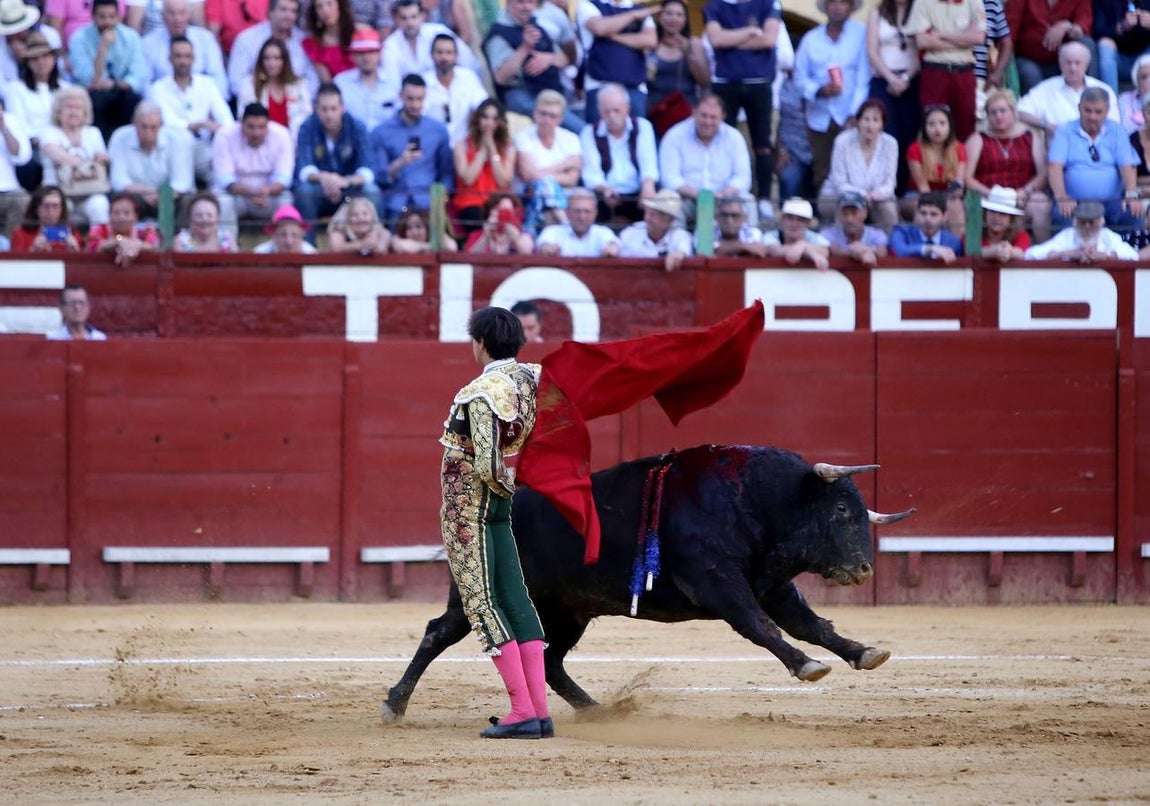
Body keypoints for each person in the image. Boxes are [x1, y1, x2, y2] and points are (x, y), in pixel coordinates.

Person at [438, 305, 552, 740]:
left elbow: (486, 462)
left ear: (481, 342)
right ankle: (538, 711)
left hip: (471, 508)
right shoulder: (529, 379)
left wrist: (500, 485)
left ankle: (522, 710)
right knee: (516, 597)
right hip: (499, 510)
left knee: (483, 602)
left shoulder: (483, 389)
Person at [704, 0, 781, 211]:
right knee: (719, 139)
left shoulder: (769, 3)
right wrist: (750, 31)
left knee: (763, 144)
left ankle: (764, 200)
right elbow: (715, 40)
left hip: (759, 82)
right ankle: (721, 194)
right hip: (725, 82)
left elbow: (768, 39)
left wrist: (730, 40)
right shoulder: (715, 6)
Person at [794, 0, 870, 195]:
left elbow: (863, 78)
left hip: (850, 115)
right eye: (832, 2)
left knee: (855, 171)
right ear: (826, 7)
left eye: (843, 2)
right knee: (822, 171)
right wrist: (820, 90)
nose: (837, 7)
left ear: (851, 7)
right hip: (820, 116)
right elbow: (799, 78)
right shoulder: (811, 39)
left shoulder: (861, 34)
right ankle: (827, 218)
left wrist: (855, 115)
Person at [964, 88, 1052, 244]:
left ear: (1013, 112)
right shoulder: (978, 139)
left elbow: (1043, 173)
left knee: (1041, 204)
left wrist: (1024, 192)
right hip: (987, 197)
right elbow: (967, 177)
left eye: (1003, 111)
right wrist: (991, 194)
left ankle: (1041, 254)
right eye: (993, 112)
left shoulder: (1030, 136)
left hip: (1021, 196)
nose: (998, 116)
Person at [1048, 86, 1142, 229]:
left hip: (1112, 201)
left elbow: (1127, 165)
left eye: (1098, 112)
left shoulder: (1117, 130)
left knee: (1133, 212)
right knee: (1061, 214)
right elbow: (1055, 166)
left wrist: (1131, 195)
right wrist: (1062, 197)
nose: (1093, 116)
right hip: (1074, 202)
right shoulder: (1065, 131)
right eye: (1088, 110)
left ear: (1107, 111)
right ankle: (1066, 252)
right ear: (1079, 108)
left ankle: (1128, 252)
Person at [147, 34, 235, 185]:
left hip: (203, 148)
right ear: (170, 58)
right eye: (178, 56)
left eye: (187, 56)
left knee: (221, 176)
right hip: (171, 150)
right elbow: (168, 122)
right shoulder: (158, 88)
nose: (183, 61)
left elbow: (224, 116)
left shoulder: (207, 84)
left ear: (193, 58)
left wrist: (223, 130)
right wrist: (199, 125)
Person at [296, 82, 381, 233]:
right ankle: (308, 249)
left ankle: (376, 241)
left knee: (371, 191)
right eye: (324, 109)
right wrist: (326, 178)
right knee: (304, 191)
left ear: (342, 107)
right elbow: (304, 168)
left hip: (350, 190)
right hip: (321, 190)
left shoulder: (357, 126)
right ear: (316, 109)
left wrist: (345, 181)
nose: (329, 114)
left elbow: (368, 169)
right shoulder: (307, 127)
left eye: (333, 109)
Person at [483, 0, 579, 132]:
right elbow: (500, 77)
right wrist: (525, 48)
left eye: (530, 2)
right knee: (579, 130)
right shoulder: (498, 34)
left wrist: (549, 59)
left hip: (551, 93)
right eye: (520, 2)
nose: (526, 7)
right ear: (508, 3)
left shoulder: (537, 27)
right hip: (520, 94)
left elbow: (564, 60)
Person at [658, 93, 754, 225]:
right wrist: (699, 195)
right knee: (668, 199)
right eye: (703, 116)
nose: (708, 122)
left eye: (713, 117)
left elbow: (743, 178)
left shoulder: (734, 137)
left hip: (724, 200)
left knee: (747, 200)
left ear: (723, 117)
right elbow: (670, 178)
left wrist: (724, 194)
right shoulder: (675, 135)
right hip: (687, 198)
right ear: (694, 112)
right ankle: (678, 244)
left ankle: (750, 241)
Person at [370, 73, 452, 220]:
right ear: (400, 96)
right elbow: (380, 178)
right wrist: (400, 163)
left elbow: (446, 174)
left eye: (419, 99)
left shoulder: (438, 131)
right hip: (396, 204)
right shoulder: (381, 132)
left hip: (428, 203)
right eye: (410, 99)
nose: (415, 105)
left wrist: (440, 198)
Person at [903, 0, 985, 142]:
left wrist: (940, 34)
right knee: (931, 127)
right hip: (935, 71)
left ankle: (962, 164)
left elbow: (978, 37)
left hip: (964, 71)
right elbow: (922, 41)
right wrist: (963, 39)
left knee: (966, 128)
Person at [68, 0, 149, 141]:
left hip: (122, 91)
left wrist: (114, 85)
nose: (107, 22)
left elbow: (138, 76)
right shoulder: (79, 38)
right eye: (102, 16)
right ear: (93, 17)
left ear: (118, 17)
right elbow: (90, 80)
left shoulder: (131, 38)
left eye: (111, 17)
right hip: (94, 94)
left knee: (132, 100)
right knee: (97, 100)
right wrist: (102, 49)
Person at [578, 83, 658, 223]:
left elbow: (648, 163)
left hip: (639, 194)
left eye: (616, 110)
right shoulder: (589, 132)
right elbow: (591, 173)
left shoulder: (643, 127)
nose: (611, 116)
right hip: (605, 196)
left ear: (627, 109)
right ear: (599, 110)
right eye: (606, 111)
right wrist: (604, 189)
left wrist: (647, 186)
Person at [817, 97, 898, 233]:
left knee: (888, 208)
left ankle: (890, 249)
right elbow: (839, 183)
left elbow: (890, 183)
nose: (869, 125)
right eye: (866, 119)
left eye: (875, 120)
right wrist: (862, 195)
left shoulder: (890, 144)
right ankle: (842, 248)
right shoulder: (842, 141)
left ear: (882, 124)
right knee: (847, 206)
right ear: (858, 121)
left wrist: (874, 196)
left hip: (876, 197)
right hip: (838, 193)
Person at [212, 103, 294, 234]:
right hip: (238, 195)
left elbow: (283, 179)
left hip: (268, 196)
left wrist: (266, 191)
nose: (256, 133)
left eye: (261, 127)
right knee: (223, 200)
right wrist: (252, 192)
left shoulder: (282, 134)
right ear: (241, 123)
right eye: (251, 127)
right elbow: (225, 180)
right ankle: (227, 248)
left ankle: (283, 249)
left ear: (268, 125)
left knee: (285, 199)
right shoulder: (225, 135)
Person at [108, 99, 196, 220]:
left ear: (161, 126)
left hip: (170, 197)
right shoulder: (120, 137)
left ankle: (179, 238)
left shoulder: (177, 139)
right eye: (143, 127)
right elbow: (119, 181)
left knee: (188, 200)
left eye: (153, 127)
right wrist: (147, 192)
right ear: (134, 123)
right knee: (121, 200)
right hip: (136, 196)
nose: (148, 132)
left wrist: (162, 195)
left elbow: (182, 182)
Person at [866, 0, 919, 195]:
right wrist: (891, 78)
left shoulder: (919, 10)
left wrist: (904, 79)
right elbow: (872, 51)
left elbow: (920, 50)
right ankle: (885, 190)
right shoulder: (877, 13)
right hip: (883, 79)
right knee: (886, 134)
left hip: (911, 79)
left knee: (909, 134)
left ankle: (905, 189)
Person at [1017, 41, 1120, 140]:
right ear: (1060, 64)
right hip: (1059, 152)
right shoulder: (1046, 89)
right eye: (1068, 63)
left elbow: (1114, 126)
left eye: (1077, 63)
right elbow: (1019, 111)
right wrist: (1046, 125)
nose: (1073, 68)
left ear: (1086, 64)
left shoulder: (1103, 89)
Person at [576, 0, 657, 124]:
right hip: (599, 85)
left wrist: (613, 36)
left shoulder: (638, 8)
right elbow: (600, 28)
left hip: (634, 88)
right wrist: (632, 15)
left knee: (636, 136)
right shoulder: (588, 4)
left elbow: (650, 40)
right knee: (599, 136)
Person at [39, 85, 111, 226]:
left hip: (90, 191)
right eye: (69, 107)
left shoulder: (93, 133)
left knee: (100, 205)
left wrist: (101, 159)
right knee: (60, 206)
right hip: (58, 192)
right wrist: (86, 163)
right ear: (59, 111)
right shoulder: (49, 132)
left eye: (78, 108)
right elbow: (55, 154)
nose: (73, 112)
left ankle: (98, 245)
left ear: (85, 112)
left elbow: (102, 159)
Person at [4, 31, 66, 192]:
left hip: (62, 144)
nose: (41, 62)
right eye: (35, 58)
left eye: (45, 57)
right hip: (33, 145)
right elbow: (19, 123)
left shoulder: (66, 88)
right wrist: (39, 141)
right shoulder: (16, 89)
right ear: (28, 63)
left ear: (53, 58)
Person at [513, 89, 581, 234]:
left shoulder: (571, 139)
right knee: (545, 185)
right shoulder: (522, 137)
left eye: (552, 116)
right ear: (535, 113)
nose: (546, 120)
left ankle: (554, 232)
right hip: (529, 194)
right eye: (542, 113)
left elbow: (572, 179)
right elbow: (528, 175)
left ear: (560, 119)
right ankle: (566, 229)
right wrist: (563, 165)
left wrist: (540, 173)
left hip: (562, 197)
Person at [228, 0, 319, 100]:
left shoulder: (304, 41)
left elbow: (313, 80)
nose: (289, 16)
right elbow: (236, 82)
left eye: (293, 11)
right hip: (257, 105)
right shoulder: (246, 39)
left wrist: (298, 99)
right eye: (283, 10)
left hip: (297, 105)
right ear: (270, 11)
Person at [381, 0, 481, 87]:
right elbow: (392, 84)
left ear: (422, 16)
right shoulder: (390, 45)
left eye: (414, 17)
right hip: (412, 102)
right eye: (404, 18)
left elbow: (470, 63)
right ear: (397, 19)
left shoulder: (439, 31)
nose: (410, 23)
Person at [1006, 0, 1096, 95]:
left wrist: (1067, 26)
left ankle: (1091, 98)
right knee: (1030, 74)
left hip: (1062, 60)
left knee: (1086, 44)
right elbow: (1009, 33)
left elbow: (1083, 27)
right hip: (1029, 59)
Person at [142, 0, 228, 98]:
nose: (177, 18)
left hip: (201, 99)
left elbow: (218, 76)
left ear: (189, 15)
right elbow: (145, 82)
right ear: (162, 16)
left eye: (181, 13)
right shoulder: (148, 42)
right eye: (171, 13)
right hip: (164, 101)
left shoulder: (206, 39)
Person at [452, 98, 516, 231]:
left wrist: (492, 148)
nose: (489, 123)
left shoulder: (508, 147)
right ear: (478, 119)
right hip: (470, 203)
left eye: (494, 119)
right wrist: (482, 151)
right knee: (476, 218)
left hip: (496, 202)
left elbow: (503, 181)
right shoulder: (462, 145)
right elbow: (468, 178)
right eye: (485, 117)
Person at [904, 103, 966, 237]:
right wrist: (938, 206)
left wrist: (947, 199)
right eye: (931, 124)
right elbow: (923, 188)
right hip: (918, 195)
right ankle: (919, 248)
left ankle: (958, 248)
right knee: (925, 209)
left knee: (955, 205)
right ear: (925, 127)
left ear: (949, 126)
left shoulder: (959, 149)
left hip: (948, 196)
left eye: (942, 123)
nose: (937, 129)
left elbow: (958, 186)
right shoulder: (915, 149)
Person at [421, 32, 488, 147]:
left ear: (456, 56)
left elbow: (483, 106)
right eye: (439, 52)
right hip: (432, 147)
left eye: (449, 53)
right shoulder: (423, 82)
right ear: (431, 55)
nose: (444, 57)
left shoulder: (468, 77)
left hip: (465, 147)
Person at [238, 37, 312, 140]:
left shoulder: (299, 85)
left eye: (277, 58)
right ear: (261, 61)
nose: (272, 64)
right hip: (260, 143)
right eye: (267, 58)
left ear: (284, 60)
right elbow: (243, 117)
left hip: (294, 143)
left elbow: (307, 116)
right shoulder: (250, 84)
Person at [647, 0, 710, 114]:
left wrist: (689, 53)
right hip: (654, 109)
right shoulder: (651, 43)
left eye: (679, 15)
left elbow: (704, 81)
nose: (673, 18)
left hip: (685, 108)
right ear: (660, 17)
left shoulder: (694, 44)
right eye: (669, 13)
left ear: (685, 19)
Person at [1023, 198, 1138, 259]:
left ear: (1101, 222)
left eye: (1092, 222)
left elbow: (1133, 256)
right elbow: (1031, 254)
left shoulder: (1107, 236)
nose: (1087, 227)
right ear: (1075, 222)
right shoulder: (1067, 235)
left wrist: (1105, 256)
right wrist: (1068, 254)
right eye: (1083, 222)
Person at [334, 27, 399, 133]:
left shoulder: (393, 83)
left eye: (371, 52)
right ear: (353, 56)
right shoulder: (340, 83)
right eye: (361, 53)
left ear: (379, 54)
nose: (366, 57)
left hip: (385, 146)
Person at [618, 187, 693, 271]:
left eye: (654, 215)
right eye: (647, 212)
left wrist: (679, 254)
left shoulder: (680, 236)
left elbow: (683, 249)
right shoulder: (630, 233)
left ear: (669, 220)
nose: (647, 218)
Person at [536, 186, 621, 257]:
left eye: (587, 211)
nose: (582, 217)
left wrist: (612, 248)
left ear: (595, 213)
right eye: (577, 211)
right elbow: (543, 246)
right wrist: (547, 248)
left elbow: (613, 245)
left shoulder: (603, 232)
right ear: (567, 212)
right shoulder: (553, 231)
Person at [85, 192, 159, 264]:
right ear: (109, 215)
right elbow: (92, 247)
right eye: (116, 213)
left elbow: (156, 246)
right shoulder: (99, 229)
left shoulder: (146, 230)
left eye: (126, 213)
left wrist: (135, 245)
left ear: (136, 216)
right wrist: (119, 240)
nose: (121, 217)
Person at [889, 190, 963, 262]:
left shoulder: (954, 242)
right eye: (923, 213)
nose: (927, 219)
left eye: (933, 214)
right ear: (917, 214)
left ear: (944, 217)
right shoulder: (901, 231)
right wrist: (930, 248)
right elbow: (900, 251)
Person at [820, 188, 889, 265]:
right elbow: (833, 250)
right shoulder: (828, 233)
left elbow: (882, 252)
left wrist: (862, 250)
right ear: (838, 215)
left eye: (854, 213)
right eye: (844, 214)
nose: (849, 219)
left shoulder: (876, 234)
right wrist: (862, 253)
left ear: (865, 213)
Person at [775, 69, 814, 202]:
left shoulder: (823, 79)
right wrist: (780, 150)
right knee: (788, 177)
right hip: (791, 151)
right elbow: (774, 121)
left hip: (821, 149)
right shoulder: (782, 85)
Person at [763, 197, 831, 271]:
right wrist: (807, 249)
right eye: (790, 218)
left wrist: (802, 245)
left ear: (808, 223)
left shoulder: (814, 237)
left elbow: (825, 251)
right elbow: (775, 251)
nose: (794, 224)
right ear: (782, 219)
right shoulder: (771, 236)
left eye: (800, 219)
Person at [303, 0, 360, 83]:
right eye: (319, 7)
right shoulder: (315, 44)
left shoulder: (359, 33)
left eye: (329, 4)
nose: (325, 10)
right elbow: (328, 82)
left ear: (339, 6)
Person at [10, 184, 81, 251]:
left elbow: (83, 262)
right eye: (46, 206)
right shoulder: (20, 234)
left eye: (55, 206)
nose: (51, 211)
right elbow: (15, 263)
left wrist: (75, 250)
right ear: (36, 208)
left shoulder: (72, 233)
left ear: (62, 209)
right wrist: (33, 250)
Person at [464, 191, 534, 254]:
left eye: (507, 210)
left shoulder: (523, 237)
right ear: (489, 211)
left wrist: (517, 241)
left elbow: (531, 260)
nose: (501, 214)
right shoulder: (476, 235)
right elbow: (469, 259)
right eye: (498, 209)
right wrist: (485, 238)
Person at [0, 95, 31, 238]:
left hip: (7, 191)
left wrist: (3, 127)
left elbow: (22, 157)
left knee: (22, 199)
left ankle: (10, 250)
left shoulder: (10, 120)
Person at [977, 184, 1030, 260]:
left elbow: (1021, 252)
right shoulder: (973, 234)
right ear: (985, 213)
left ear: (1011, 218)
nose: (996, 217)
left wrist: (1010, 251)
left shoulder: (1021, 235)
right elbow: (971, 251)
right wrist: (994, 251)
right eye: (992, 211)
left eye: (1003, 214)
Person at [327, 193, 392, 253]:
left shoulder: (380, 231)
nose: (361, 219)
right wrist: (361, 245)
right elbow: (335, 248)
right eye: (355, 215)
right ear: (348, 218)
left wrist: (377, 245)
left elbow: (382, 246)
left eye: (365, 214)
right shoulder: (339, 229)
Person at [253, 201, 317, 252]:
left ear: (302, 234)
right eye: (283, 235)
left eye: (294, 235)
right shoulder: (259, 254)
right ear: (273, 235)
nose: (289, 242)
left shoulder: (311, 254)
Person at [390, 205, 457, 251]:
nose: (414, 232)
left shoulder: (436, 236)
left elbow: (452, 246)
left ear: (427, 227)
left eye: (418, 226)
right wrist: (431, 247)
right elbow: (399, 245)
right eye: (409, 228)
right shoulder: (398, 239)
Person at [1119, 53, 1150, 134]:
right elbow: (1127, 129)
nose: (1149, 81)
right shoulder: (1125, 99)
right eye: (1144, 77)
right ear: (1137, 81)